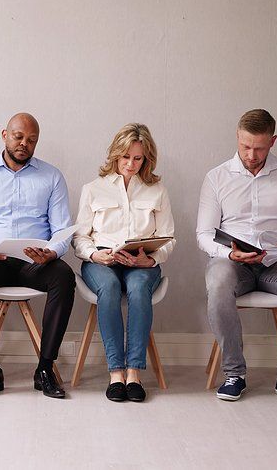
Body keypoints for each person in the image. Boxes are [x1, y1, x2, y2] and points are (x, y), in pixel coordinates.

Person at [197, 108, 277, 404]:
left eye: (259, 148)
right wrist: (230, 253)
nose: (251, 155)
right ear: (237, 137)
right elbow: (203, 234)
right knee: (218, 282)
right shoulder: (217, 177)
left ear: (273, 141)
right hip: (233, 264)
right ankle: (234, 374)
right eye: (245, 146)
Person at [0, 112, 75, 399]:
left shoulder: (52, 176)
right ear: (4, 135)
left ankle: (45, 368)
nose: (24, 144)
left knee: (64, 276)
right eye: (18, 137)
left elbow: (63, 230)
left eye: (31, 140)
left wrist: (51, 252)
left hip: (35, 263)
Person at [73, 123, 175, 403]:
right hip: (101, 260)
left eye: (138, 158)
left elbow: (169, 238)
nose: (131, 164)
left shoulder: (157, 190)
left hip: (141, 261)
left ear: (147, 159)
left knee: (139, 289)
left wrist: (150, 259)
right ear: (115, 154)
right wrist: (94, 255)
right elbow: (80, 237)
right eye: (125, 157)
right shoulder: (93, 189)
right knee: (108, 288)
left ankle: (134, 373)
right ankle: (116, 373)